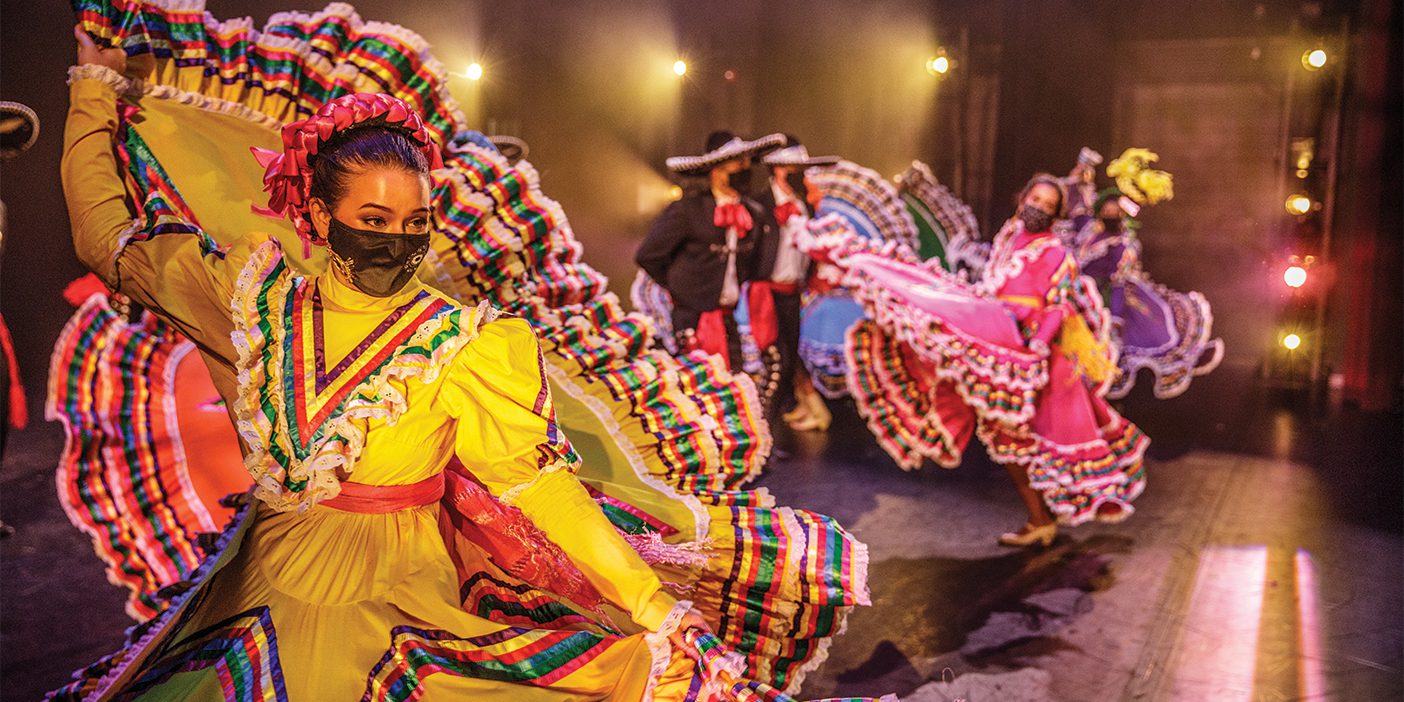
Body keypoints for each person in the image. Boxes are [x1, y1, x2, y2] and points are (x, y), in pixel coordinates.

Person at [61, 29, 747, 699]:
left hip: (396, 602)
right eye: (375, 220)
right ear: (320, 218)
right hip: (250, 597)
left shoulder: (459, 344)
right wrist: (93, 91)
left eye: (416, 223)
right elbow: (106, 244)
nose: (397, 242)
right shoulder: (248, 305)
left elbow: (541, 489)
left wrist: (655, 607)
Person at [807, 174, 1149, 547]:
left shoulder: (1054, 252)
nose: (1038, 208)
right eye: (1035, 199)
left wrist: (1037, 343)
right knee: (1009, 440)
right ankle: (1040, 518)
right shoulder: (1010, 237)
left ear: (1056, 215)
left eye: (1049, 206)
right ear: (1021, 198)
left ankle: (1041, 518)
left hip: (1033, 358)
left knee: (1029, 441)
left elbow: (1058, 305)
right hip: (999, 341)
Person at [635, 131, 782, 373]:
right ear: (717, 171)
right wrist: (681, 287)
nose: (745, 169)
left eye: (747, 163)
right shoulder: (689, 210)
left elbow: (753, 262)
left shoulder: (753, 213)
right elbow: (648, 255)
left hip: (728, 317)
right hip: (691, 318)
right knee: (692, 390)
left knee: (733, 385)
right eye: (738, 164)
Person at [754, 137, 838, 431]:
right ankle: (766, 427)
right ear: (778, 169)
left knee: (790, 356)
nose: (797, 173)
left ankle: (805, 411)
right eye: (791, 166)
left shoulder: (803, 205)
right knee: (779, 361)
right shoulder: (760, 204)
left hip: (792, 292)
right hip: (766, 293)